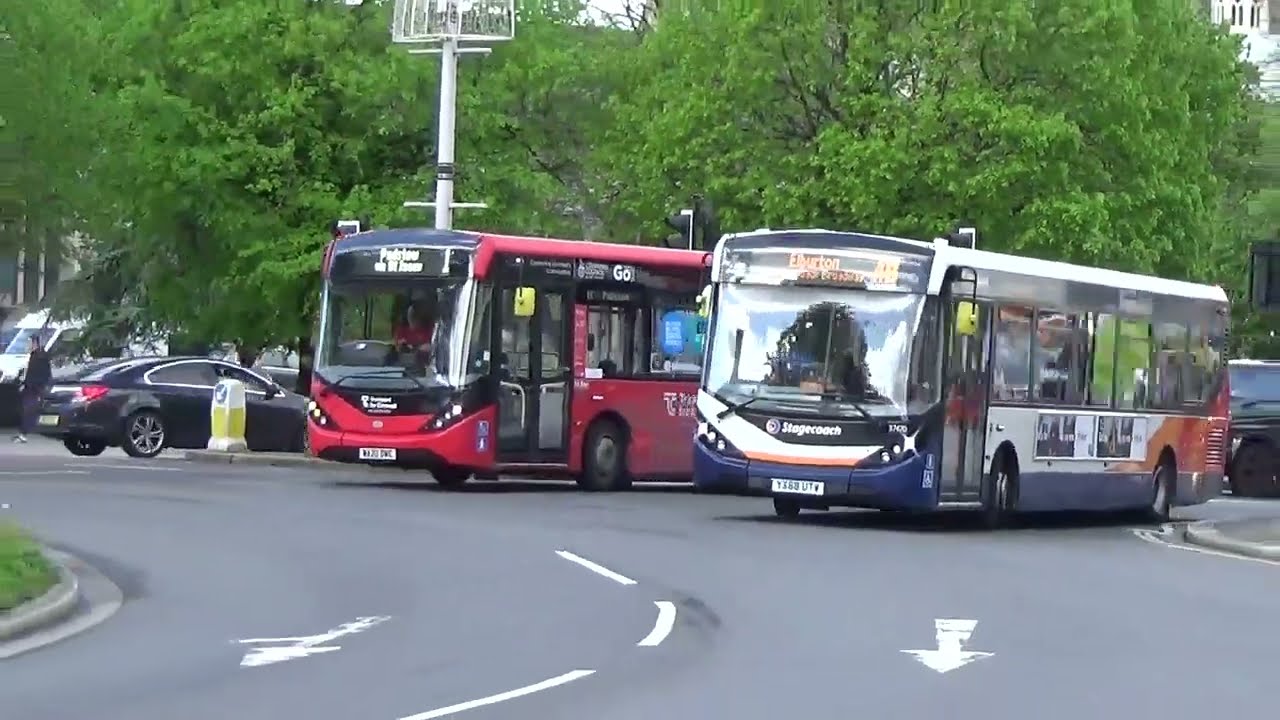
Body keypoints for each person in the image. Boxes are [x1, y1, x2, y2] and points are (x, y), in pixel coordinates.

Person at [13, 335, 51, 443]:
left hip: (34, 388)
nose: (27, 345)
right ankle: (22, 433)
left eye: (29, 343)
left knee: (29, 410)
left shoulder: (40, 356)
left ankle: (24, 434)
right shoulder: (33, 355)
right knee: (25, 410)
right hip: (29, 387)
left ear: (35, 343)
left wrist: (36, 386)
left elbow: (43, 373)